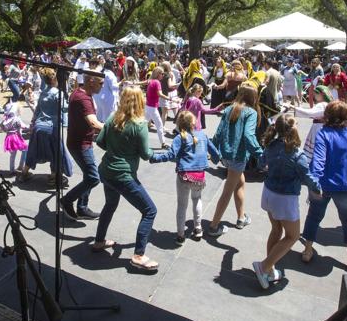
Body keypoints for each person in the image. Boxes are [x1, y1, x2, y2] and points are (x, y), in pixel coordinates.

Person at [93, 86, 158, 272]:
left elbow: (100, 142)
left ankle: (99, 241)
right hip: (123, 176)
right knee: (149, 210)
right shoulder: (140, 125)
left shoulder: (113, 118)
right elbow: (146, 154)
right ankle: (138, 255)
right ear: (140, 101)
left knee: (110, 205)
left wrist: (116, 150)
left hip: (106, 171)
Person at [253, 114, 321, 289]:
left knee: (276, 230)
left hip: (269, 193)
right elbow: (307, 176)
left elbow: (261, 163)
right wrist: (317, 188)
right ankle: (264, 266)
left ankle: (269, 268)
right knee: (293, 236)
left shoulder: (271, 145)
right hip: (285, 199)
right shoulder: (298, 155)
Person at [301, 101, 347, 269]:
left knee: (314, 216)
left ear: (327, 116)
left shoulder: (324, 133)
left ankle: (307, 250)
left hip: (326, 183)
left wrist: (313, 183)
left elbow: (318, 161)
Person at [150, 111, 220, 244]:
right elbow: (215, 153)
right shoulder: (203, 135)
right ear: (194, 122)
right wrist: (218, 159)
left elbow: (170, 155)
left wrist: (154, 158)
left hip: (184, 176)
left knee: (182, 205)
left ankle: (180, 235)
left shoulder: (180, 138)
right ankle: (198, 229)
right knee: (197, 200)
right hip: (199, 177)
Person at [209, 85, 264, 236]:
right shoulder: (251, 112)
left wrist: (213, 152)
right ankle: (214, 226)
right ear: (254, 97)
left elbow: (218, 133)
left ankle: (241, 217)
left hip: (226, 155)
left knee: (240, 183)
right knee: (227, 191)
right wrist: (261, 154)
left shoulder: (229, 109)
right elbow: (248, 135)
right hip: (237, 157)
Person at [60, 74, 105, 221]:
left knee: (88, 175)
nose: (103, 86)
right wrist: (115, 127)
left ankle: (82, 208)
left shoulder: (79, 92)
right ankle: (67, 200)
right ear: (91, 81)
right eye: (101, 83)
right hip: (80, 145)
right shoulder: (83, 98)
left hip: (80, 142)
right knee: (93, 178)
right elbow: (94, 124)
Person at [21, 68, 73, 186]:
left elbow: (37, 110)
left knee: (33, 151)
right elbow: (64, 108)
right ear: (55, 79)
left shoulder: (43, 92)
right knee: (55, 152)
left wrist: (32, 123)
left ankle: (24, 173)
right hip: (52, 127)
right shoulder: (57, 93)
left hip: (39, 127)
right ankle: (53, 177)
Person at [290, 85, 333, 160]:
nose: (314, 95)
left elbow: (310, 113)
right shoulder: (327, 104)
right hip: (323, 127)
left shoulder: (321, 105)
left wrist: (294, 108)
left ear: (322, 94)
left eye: (316, 93)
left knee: (315, 148)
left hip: (318, 128)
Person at [145, 67, 172, 149]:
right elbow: (160, 94)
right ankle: (163, 143)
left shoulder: (151, 81)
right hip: (152, 108)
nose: (163, 75)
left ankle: (134, 141)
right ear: (158, 74)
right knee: (159, 125)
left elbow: (143, 83)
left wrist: (134, 83)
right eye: (162, 73)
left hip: (148, 106)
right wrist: (170, 98)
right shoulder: (157, 82)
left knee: (142, 124)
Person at [1, 102, 28, 175]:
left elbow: (3, 128)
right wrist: (29, 127)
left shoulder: (6, 119)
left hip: (9, 138)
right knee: (25, 149)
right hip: (16, 137)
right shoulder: (16, 119)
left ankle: (12, 170)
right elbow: (23, 126)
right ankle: (21, 165)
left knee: (13, 155)